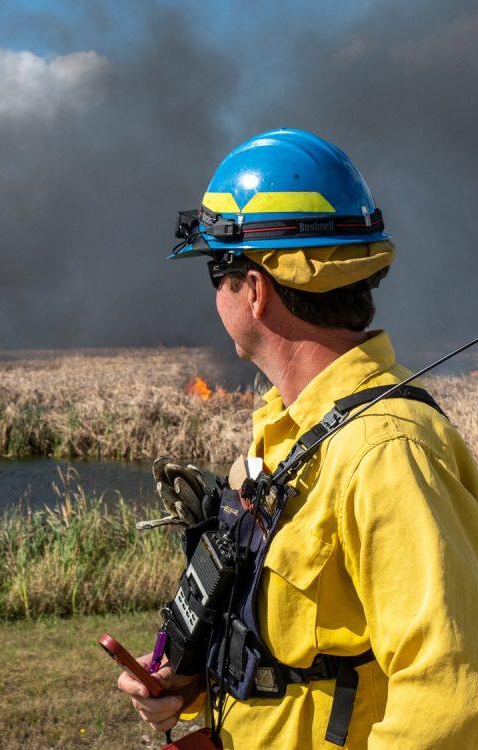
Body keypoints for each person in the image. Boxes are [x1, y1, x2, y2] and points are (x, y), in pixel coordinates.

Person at [118, 129, 478, 748]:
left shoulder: (388, 452)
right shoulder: (286, 429)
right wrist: (197, 682)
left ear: (255, 289)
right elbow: (307, 641)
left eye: (216, 269)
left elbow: (450, 708)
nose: (213, 293)